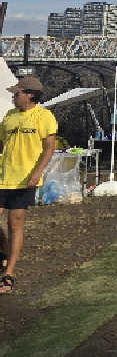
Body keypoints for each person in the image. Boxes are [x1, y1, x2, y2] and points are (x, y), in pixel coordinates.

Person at [0, 75, 58, 294]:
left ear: (30, 95)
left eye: (17, 93)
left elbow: (49, 148)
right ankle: (4, 253)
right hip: (3, 175)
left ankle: (9, 274)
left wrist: (37, 173)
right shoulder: (9, 116)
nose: (13, 96)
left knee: (14, 224)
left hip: (25, 179)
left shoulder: (44, 117)